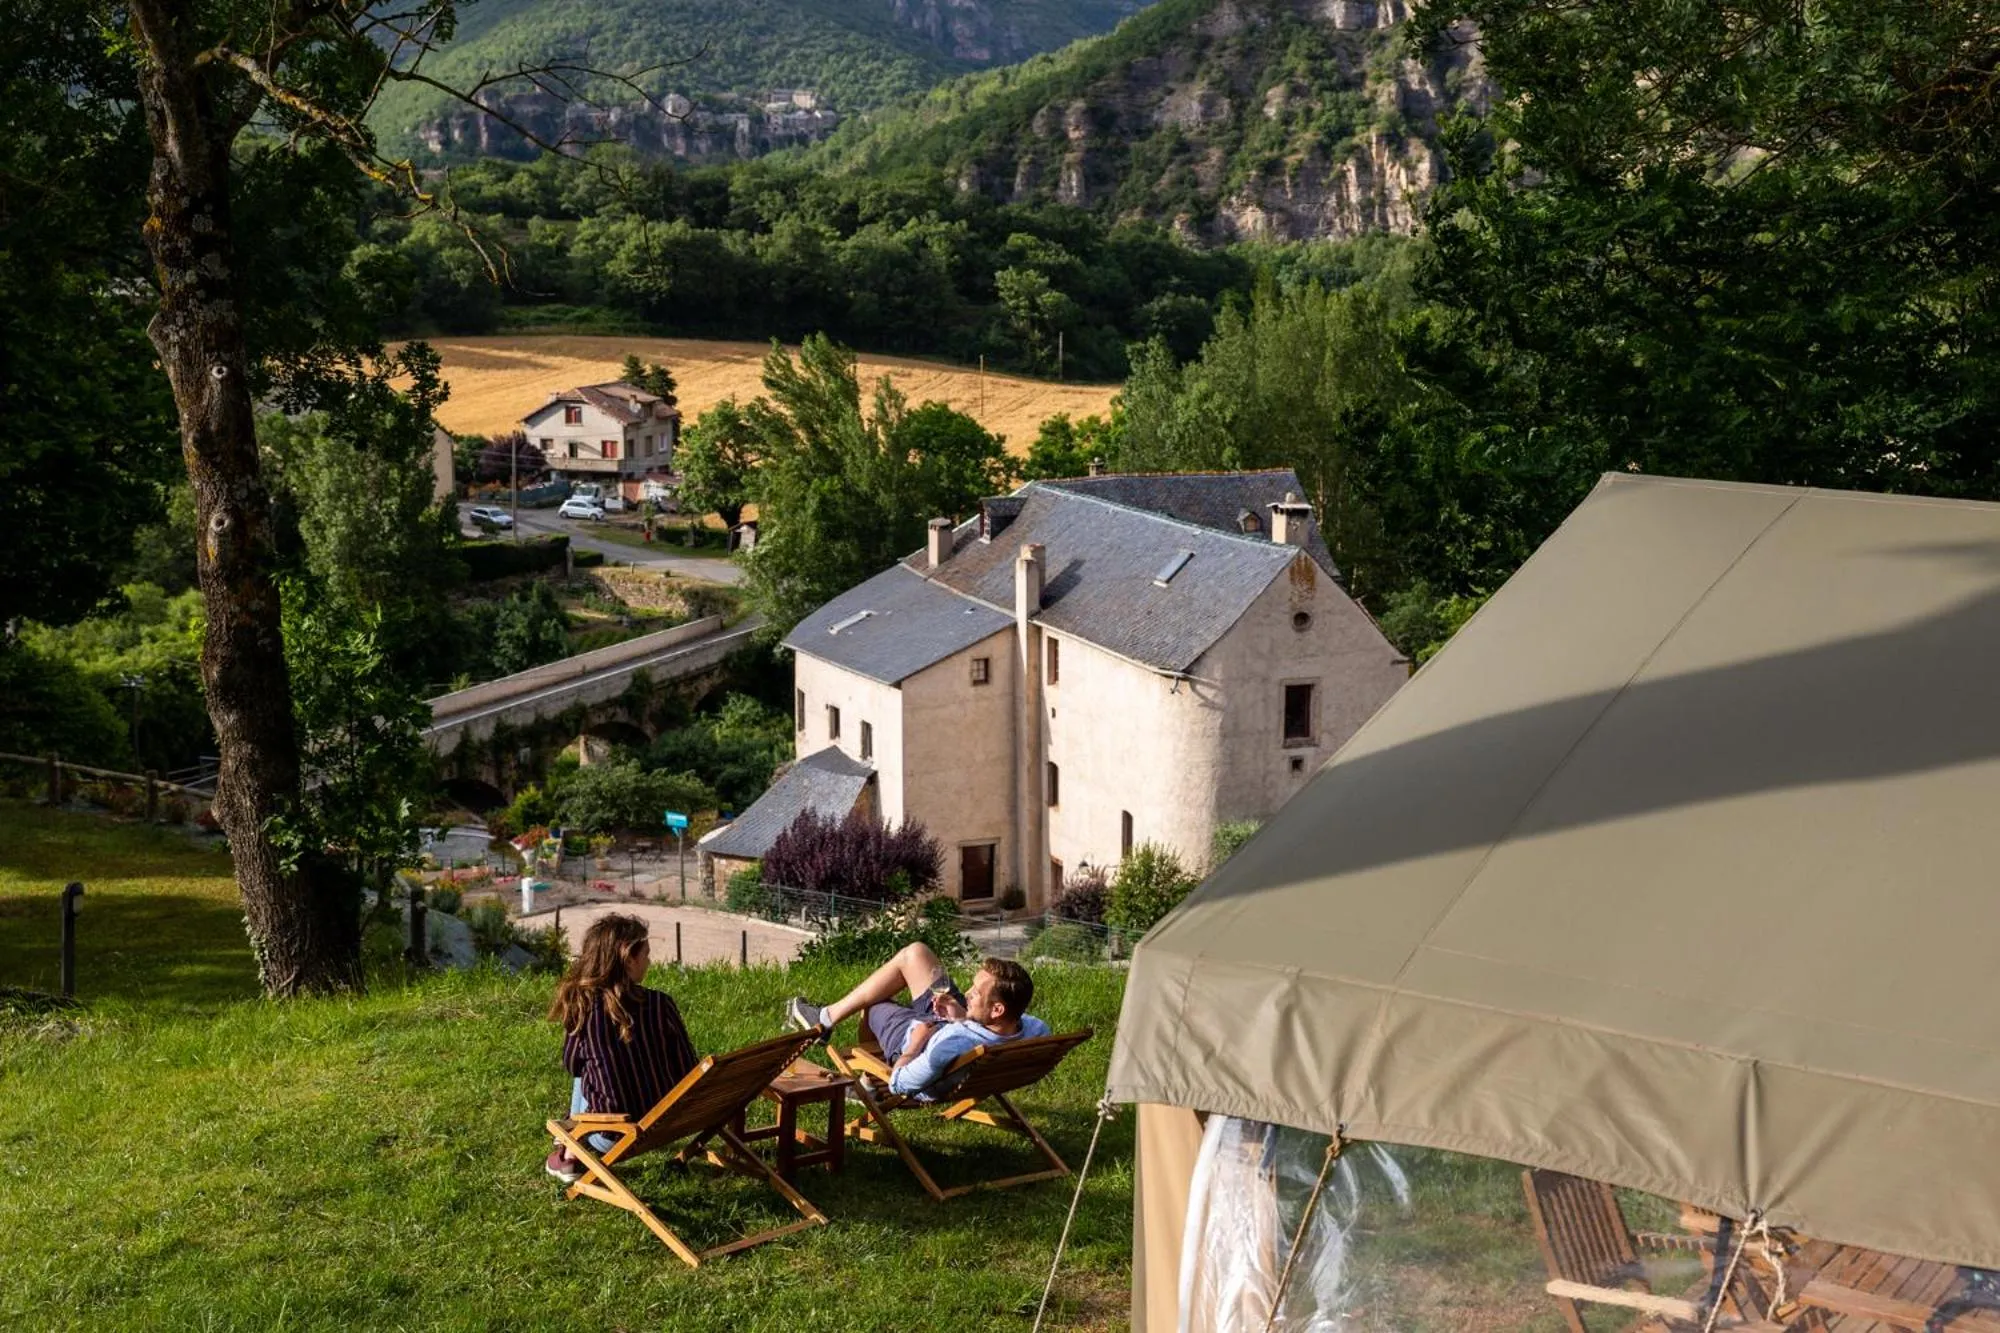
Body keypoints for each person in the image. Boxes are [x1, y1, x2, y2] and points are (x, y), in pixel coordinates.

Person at [783, 943, 1048, 1100]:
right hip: (959, 1025)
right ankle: (825, 1017)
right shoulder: (1035, 1030)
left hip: (922, 1041)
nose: (967, 994)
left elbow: (900, 1084)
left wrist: (917, 1041)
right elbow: (988, 1031)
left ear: (997, 1008)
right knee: (916, 953)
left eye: (975, 992)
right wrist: (963, 1017)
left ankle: (866, 1081)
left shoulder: (952, 1044)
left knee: (874, 1002)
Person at [545, 913, 697, 1184]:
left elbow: (571, 1066)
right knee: (590, 1064)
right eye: (646, 955)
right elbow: (688, 1068)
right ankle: (570, 1148)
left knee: (581, 1069)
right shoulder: (661, 1004)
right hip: (666, 1124)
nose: (649, 961)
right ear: (629, 960)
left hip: (612, 1136)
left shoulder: (585, 1010)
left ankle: (569, 1153)